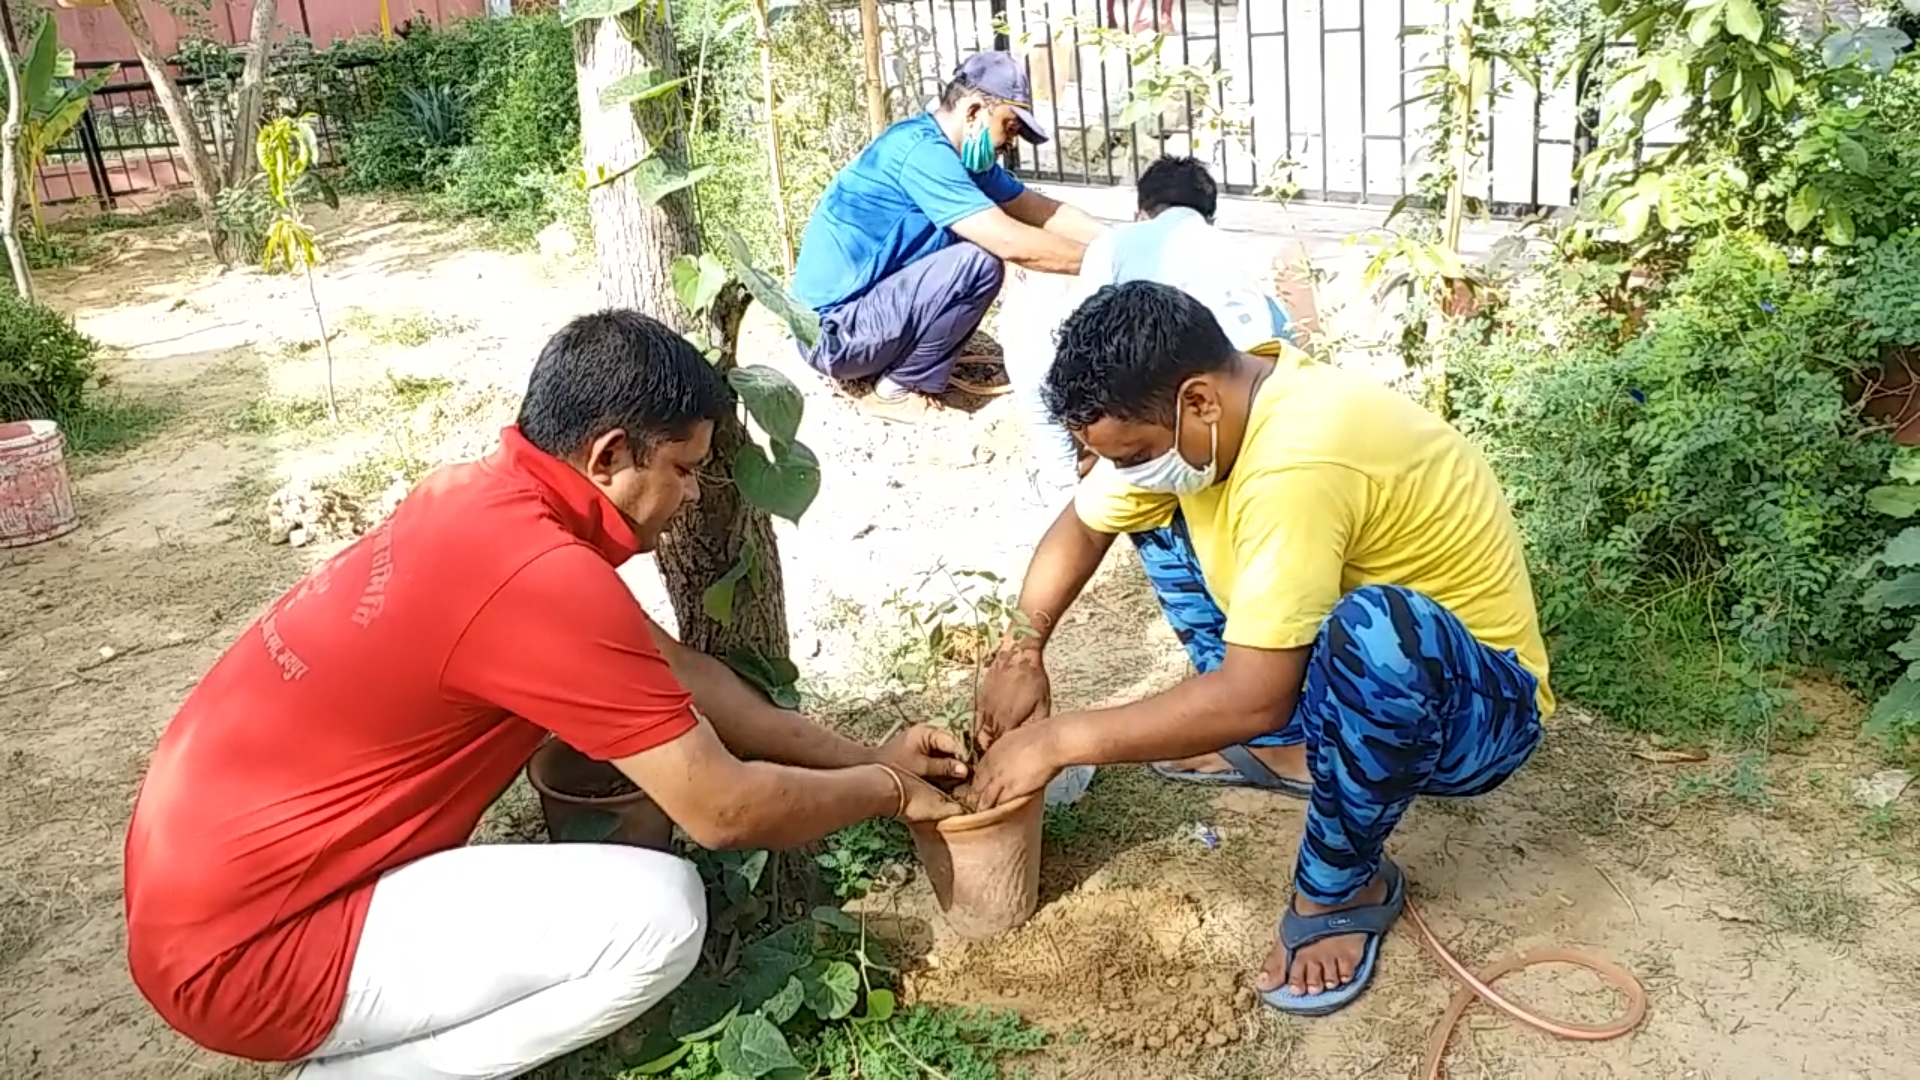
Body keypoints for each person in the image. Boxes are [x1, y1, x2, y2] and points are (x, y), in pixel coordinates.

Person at [122, 311, 969, 1080]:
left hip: (198, 902)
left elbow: (691, 678)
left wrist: (871, 755)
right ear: (607, 456)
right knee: (661, 918)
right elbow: (725, 812)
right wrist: (891, 795)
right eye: (683, 468)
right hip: (247, 958)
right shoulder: (540, 578)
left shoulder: (473, 499)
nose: (695, 495)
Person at [967, 282, 1551, 1017]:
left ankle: (1348, 885)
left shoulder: (1301, 461)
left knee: (1377, 631)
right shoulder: (1223, 418)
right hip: (1347, 673)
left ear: (1200, 401)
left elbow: (1254, 690)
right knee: (1152, 517)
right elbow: (1083, 527)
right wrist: (1022, 650)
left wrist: (1056, 742)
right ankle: (1287, 748)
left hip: (1474, 716)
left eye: (1139, 452)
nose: (1130, 470)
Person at [790, 50, 1104, 420]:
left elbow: (1042, 211)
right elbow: (1011, 243)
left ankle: (897, 362)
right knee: (980, 261)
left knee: (975, 246)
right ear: (973, 112)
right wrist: (1106, 262)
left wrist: (1121, 241)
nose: (1011, 143)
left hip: (859, 319)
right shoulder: (924, 154)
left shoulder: (967, 161)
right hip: (832, 336)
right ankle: (894, 391)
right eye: (1010, 127)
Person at [1009, 155, 1312, 493]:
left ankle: (1060, 477)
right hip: (1250, 402)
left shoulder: (1114, 245)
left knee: (1029, 357)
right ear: (1209, 216)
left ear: (1141, 212)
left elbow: (1085, 335)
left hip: (1169, 404)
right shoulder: (1232, 248)